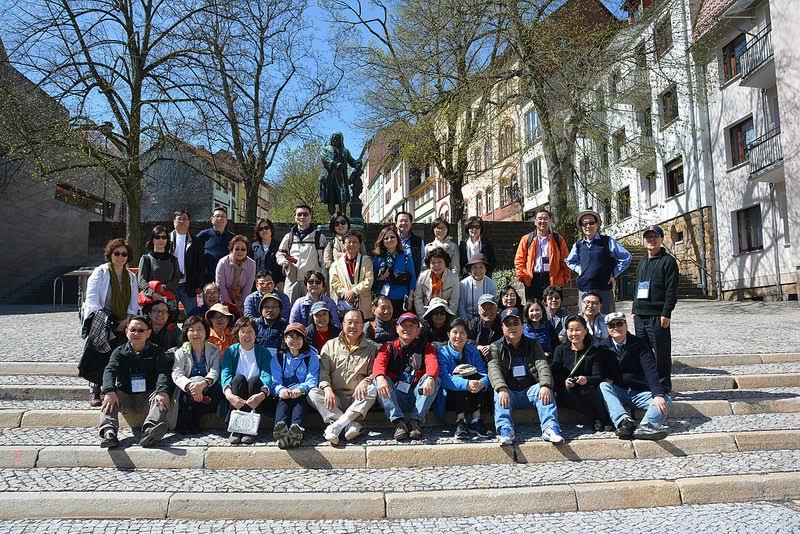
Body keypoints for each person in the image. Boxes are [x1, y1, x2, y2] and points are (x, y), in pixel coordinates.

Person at [488, 308, 563, 446]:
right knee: (498, 393)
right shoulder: (495, 347)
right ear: (502, 327)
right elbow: (494, 370)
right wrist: (502, 388)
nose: (512, 327)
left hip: (530, 390)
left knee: (545, 390)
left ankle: (550, 428)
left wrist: (545, 385)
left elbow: (542, 366)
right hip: (509, 391)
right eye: (508, 324)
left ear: (522, 325)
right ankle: (506, 430)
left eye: (516, 323)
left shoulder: (533, 345)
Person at [98, 316, 172, 448]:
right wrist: (109, 391)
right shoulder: (119, 352)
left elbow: (163, 373)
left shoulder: (157, 351)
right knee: (109, 398)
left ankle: (150, 431)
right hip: (125, 396)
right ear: (126, 332)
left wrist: (162, 391)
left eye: (141, 330)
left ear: (148, 333)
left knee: (161, 398)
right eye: (133, 330)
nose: (136, 333)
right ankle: (109, 432)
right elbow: (109, 371)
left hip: (147, 396)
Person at [81, 238, 138, 406]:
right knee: (98, 356)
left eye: (124, 254)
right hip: (102, 320)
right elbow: (92, 299)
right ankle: (95, 390)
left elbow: (133, 304)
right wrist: (107, 321)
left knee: (117, 357)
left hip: (122, 321)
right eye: (117, 253)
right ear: (110, 254)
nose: (120, 257)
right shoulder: (101, 272)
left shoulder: (131, 277)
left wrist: (125, 320)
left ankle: (113, 388)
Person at [310, 309, 379, 445]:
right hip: (335, 398)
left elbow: (375, 372)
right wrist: (327, 389)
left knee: (372, 389)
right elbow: (323, 373)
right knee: (313, 393)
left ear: (362, 325)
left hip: (357, 397)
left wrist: (366, 381)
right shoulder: (330, 345)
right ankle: (350, 424)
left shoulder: (371, 348)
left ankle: (336, 426)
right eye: (349, 322)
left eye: (357, 322)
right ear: (343, 324)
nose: (353, 326)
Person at [599, 312, 671, 440]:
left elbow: (650, 370)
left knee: (665, 399)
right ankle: (624, 422)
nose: (616, 328)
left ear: (626, 325)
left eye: (619, 324)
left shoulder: (639, 344)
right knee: (603, 386)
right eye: (611, 326)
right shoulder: (602, 347)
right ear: (607, 329)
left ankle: (647, 426)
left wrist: (658, 394)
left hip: (639, 392)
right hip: (618, 390)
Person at [373, 313, 439, 441]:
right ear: (397, 328)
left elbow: (433, 363)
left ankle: (416, 422)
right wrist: (380, 377)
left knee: (434, 379)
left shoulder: (426, 347)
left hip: (417, 396)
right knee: (379, 380)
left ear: (418, 330)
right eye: (404, 325)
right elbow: (379, 364)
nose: (407, 329)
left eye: (411, 326)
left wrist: (430, 377)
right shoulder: (388, 347)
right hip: (396, 396)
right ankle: (398, 423)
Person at [631, 224, 678, 394]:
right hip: (640, 316)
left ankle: (664, 387)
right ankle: (649, 384)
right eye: (648, 237)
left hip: (657, 316)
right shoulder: (642, 262)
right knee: (644, 354)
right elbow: (638, 287)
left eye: (654, 236)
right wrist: (634, 310)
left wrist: (666, 312)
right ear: (644, 240)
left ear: (661, 239)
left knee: (661, 353)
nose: (651, 240)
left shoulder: (668, 261)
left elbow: (671, 290)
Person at [551, 315, 613, 432]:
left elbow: (598, 376)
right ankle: (597, 418)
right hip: (567, 390)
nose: (574, 333)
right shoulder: (560, 350)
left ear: (585, 330)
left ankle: (598, 419)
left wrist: (586, 379)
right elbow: (555, 373)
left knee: (588, 392)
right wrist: (565, 381)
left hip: (586, 389)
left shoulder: (593, 351)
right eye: (570, 330)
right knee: (568, 393)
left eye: (578, 330)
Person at [565, 209, 632, 314]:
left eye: (591, 223)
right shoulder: (578, 245)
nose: (588, 226)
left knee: (607, 319)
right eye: (584, 224)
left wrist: (613, 273)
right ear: (581, 227)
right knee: (585, 320)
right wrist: (578, 269)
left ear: (597, 225)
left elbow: (626, 257)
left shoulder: (607, 241)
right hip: (585, 289)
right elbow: (569, 261)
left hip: (604, 290)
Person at [435, 318, 492, 439]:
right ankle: (460, 420)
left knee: (475, 376)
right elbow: (444, 378)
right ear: (448, 334)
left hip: (473, 394)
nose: (458, 336)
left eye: (462, 333)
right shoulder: (442, 352)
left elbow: (484, 373)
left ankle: (476, 420)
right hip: (450, 396)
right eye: (455, 332)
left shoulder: (473, 351)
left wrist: (481, 384)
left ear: (467, 335)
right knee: (460, 376)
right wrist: (466, 384)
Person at [221, 317, 273, 444]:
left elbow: (266, 375)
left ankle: (248, 429)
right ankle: (236, 429)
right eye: (243, 331)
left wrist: (262, 394)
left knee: (254, 380)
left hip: (255, 394)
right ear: (237, 334)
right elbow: (226, 373)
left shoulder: (264, 352)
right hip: (236, 393)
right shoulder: (230, 351)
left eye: (250, 331)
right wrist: (229, 395)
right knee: (239, 379)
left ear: (255, 334)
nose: (246, 335)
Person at [269, 323, 320, 449]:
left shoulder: (311, 356)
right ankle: (281, 430)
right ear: (285, 338)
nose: (295, 340)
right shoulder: (278, 357)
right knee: (283, 401)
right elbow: (275, 380)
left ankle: (296, 430)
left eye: (298, 337)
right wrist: (281, 390)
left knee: (300, 401)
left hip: (302, 393)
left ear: (304, 339)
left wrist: (301, 389)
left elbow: (312, 379)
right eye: (291, 337)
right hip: (284, 394)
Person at [169, 315, 223, 433]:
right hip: (189, 390)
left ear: (206, 331)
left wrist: (202, 384)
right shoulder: (181, 352)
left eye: (199, 329)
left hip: (208, 387)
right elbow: (177, 373)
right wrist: (190, 386)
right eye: (191, 330)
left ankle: (191, 422)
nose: (196, 333)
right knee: (186, 396)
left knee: (217, 390)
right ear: (186, 333)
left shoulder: (214, 350)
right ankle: (190, 424)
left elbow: (215, 371)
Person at [513, 209, 571, 301]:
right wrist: (523, 277)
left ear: (550, 221)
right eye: (540, 218)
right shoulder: (527, 239)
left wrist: (564, 278)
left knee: (551, 307)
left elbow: (566, 261)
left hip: (552, 279)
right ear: (535, 222)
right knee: (533, 307)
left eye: (545, 218)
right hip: (532, 280)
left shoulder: (558, 239)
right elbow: (519, 260)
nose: (542, 221)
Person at [277, 204, 328, 302]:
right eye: (299, 214)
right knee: (291, 308)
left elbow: (324, 262)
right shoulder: (289, 237)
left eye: (305, 214)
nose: (302, 217)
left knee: (312, 308)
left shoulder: (319, 237)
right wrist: (285, 262)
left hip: (312, 282)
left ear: (311, 216)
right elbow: (279, 255)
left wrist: (323, 283)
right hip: (292, 281)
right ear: (295, 217)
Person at [329, 229, 374, 321]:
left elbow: (369, 280)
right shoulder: (336, 264)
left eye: (355, 242)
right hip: (345, 303)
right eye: (349, 242)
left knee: (363, 325)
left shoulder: (366, 261)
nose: (352, 244)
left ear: (360, 244)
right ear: (343, 244)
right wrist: (346, 293)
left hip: (363, 303)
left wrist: (354, 292)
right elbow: (334, 283)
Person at [138, 225, 182, 318]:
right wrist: (152, 294)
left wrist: (164, 287)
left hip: (168, 300)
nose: (161, 240)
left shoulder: (173, 259)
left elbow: (176, 278)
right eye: (157, 237)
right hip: (150, 301)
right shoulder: (146, 259)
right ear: (152, 239)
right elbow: (141, 280)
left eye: (164, 237)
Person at [372, 225, 416, 318]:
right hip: (384, 298)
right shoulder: (378, 258)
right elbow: (373, 279)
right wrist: (380, 278)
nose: (389, 240)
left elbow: (412, 278)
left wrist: (410, 298)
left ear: (397, 239)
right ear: (382, 241)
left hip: (401, 296)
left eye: (392, 237)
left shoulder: (406, 256)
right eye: (386, 238)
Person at [169, 210, 205, 314]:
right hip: (171, 285)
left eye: (185, 219)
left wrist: (199, 285)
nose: (182, 221)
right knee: (169, 315)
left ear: (189, 222)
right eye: (179, 219)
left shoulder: (196, 241)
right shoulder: (166, 240)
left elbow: (200, 265)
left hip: (189, 285)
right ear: (174, 222)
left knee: (192, 315)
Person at [216, 234, 256, 313]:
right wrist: (229, 305)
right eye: (237, 249)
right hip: (224, 299)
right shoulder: (223, 263)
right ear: (231, 250)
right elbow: (221, 286)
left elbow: (248, 287)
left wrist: (242, 304)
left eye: (243, 249)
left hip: (242, 299)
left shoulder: (252, 264)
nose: (240, 252)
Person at [414, 248, 460, 317]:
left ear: (445, 263)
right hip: (427, 313)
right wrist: (422, 317)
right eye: (433, 263)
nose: (436, 265)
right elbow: (418, 298)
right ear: (429, 264)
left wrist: (449, 318)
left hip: (445, 313)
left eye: (439, 262)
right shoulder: (422, 276)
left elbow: (454, 301)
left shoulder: (454, 278)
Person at [195, 207, 235, 286]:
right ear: (212, 219)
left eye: (223, 216)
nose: (220, 218)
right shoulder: (203, 235)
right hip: (207, 278)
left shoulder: (232, 238)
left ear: (226, 220)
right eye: (217, 216)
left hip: (226, 278)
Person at [249, 217, 285, 292]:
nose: (264, 230)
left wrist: (281, 281)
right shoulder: (253, 247)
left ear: (271, 229)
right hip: (257, 286)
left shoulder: (280, 246)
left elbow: (283, 265)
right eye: (261, 229)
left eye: (266, 228)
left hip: (275, 286)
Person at [458, 253, 497, 321]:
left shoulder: (491, 284)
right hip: (467, 319)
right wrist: (466, 322)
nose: (478, 270)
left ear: (485, 269)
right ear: (470, 269)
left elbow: (493, 306)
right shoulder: (463, 284)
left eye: (481, 267)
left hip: (486, 318)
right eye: (474, 267)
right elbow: (461, 307)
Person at [468, 294, 503, 362]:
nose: (488, 311)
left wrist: (493, 347)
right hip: (477, 359)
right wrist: (478, 346)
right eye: (484, 308)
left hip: (499, 358)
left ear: (497, 309)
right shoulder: (473, 323)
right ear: (479, 311)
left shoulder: (503, 323)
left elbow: (508, 339)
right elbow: (466, 340)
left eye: (491, 308)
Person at [395, 211, 425, 277]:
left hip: (414, 277)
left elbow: (422, 261)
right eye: (401, 221)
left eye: (406, 221)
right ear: (396, 224)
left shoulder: (418, 241)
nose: (403, 223)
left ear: (411, 223)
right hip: (394, 278)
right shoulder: (391, 239)